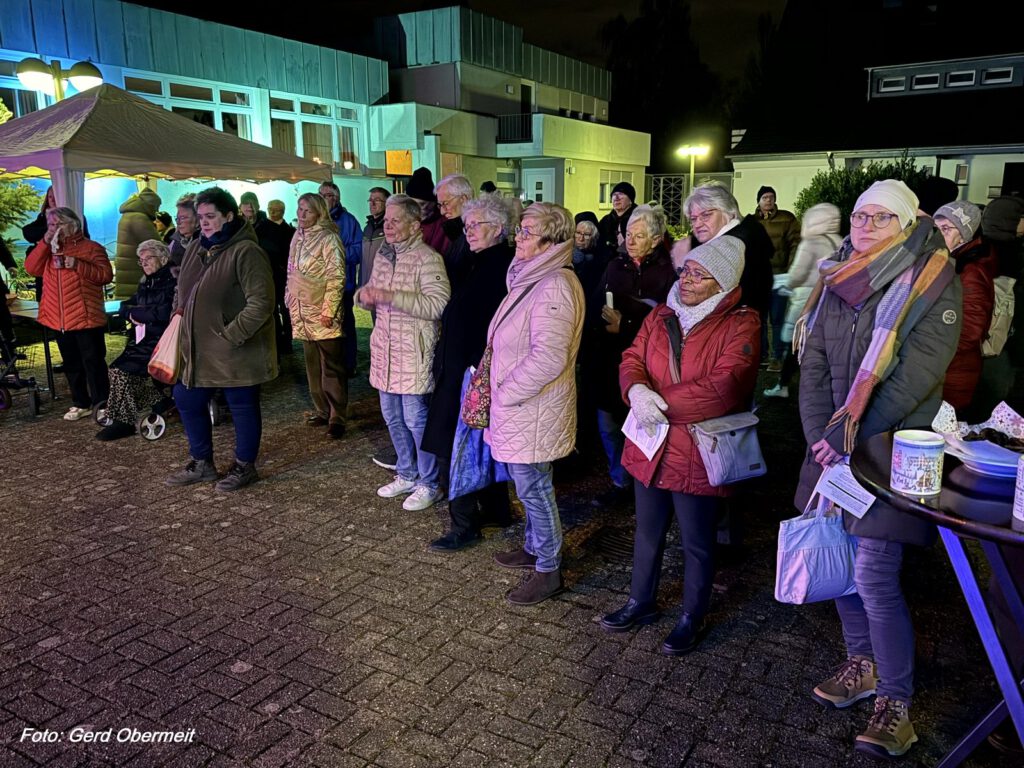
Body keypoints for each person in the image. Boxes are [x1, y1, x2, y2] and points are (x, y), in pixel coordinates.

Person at [795, 180, 961, 760]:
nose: (864, 225)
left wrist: (850, 440)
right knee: (840, 560)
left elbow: (917, 378)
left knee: (873, 574)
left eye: (879, 217)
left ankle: (895, 702)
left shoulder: (932, 278)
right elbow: (812, 363)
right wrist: (822, 436)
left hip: (888, 451)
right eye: (859, 216)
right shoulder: (836, 274)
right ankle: (860, 664)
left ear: (904, 222)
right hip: (830, 450)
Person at [601, 235, 759, 653]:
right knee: (647, 531)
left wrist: (660, 402)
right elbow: (632, 357)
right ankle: (641, 600)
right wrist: (635, 390)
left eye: (700, 275)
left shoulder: (741, 322)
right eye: (686, 269)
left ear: (722, 284)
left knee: (697, 542)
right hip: (650, 444)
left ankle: (693, 615)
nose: (686, 279)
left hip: (697, 450)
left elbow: (724, 386)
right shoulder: (662, 315)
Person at [488, 202, 584, 605]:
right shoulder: (532, 277)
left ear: (552, 240)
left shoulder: (555, 284)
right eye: (520, 229)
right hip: (523, 406)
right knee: (527, 485)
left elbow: (549, 356)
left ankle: (549, 568)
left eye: (528, 231)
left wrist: (505, 392)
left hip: (532, 405)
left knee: (535, 488)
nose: (518, 237)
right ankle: (534, 546)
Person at [166, 186, 277, 492]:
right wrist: (179, 316)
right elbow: (183, 289)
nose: (204, 222)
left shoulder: (247, 251)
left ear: (229, 216)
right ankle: (202, 463)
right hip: (198, 347)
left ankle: (244, 465)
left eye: (211, 216)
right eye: (200, 216)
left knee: (241, 404)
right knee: (186, 397)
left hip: (234, 347)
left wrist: (232, 334)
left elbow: (262, 302)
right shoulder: (196, 249)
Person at [423, 195, 518, 551]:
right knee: (479, 443)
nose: (468, 231)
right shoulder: (479, 261)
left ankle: (464, 524)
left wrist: (476, 368)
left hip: (472, 372)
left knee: (459, 446)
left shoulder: (500, 267)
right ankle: (496, 509)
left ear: (497, 228)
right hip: (465, 368)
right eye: (467, 226)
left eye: (475, 225)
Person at [355, 194, 450, 512]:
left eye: (396, 220)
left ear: (414, 224)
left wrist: (390, 295)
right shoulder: (384, 255)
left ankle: (429, 482)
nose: (389, 225)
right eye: (387, 220)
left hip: (413, 350)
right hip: (385, 349)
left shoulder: (428, 258)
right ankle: (406, 473)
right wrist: (364, 297)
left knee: (415, 419)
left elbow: (437, 304)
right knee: (392, 417)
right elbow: (370, 289)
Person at [583, 204, 676, 507]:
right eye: (627, 234)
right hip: (610, 359)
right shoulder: (614, 266)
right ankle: (620, 481)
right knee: (608, 423)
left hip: (647, 365)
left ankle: (645, 484)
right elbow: (595, 305)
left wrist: (626, 323)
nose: (630, 240)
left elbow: (669, 323)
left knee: (641, 424)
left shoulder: (668, 272)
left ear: (656, 239)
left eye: (638, 235)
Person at [24, 207, 113, 421]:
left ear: (72, 224)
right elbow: (32, 268)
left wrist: (78, 265)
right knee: (71, 363)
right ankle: (80, 402)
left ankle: (102, 402)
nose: (54, 229)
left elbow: (105, 275)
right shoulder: (48, 249)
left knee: (93, 362)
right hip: (58, 318)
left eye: (58, 224)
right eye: (51, 225)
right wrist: (44, 243)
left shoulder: (91, 248)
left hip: (86, 316)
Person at [96, 239, 177, 440]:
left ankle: (123, 422)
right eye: (141, 260)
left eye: (148, 258)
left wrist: (138, 314)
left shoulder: (172, 280)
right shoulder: (146, 281)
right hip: (143, 337)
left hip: (163, 340)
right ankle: (160, 403)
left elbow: (166, 311)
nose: (145, 263)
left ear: (163, 258)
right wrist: (133, 313)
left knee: (122, 371)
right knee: (117, 370)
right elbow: (127, 305)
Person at [286, 192, 348, 439]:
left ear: (319, 213)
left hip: (321, 311)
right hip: (301, 309)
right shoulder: (297, 237)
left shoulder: (329, 238)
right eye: (300, 209)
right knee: (311, 364)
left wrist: (329, 310)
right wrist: (289, 297)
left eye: (307, 211)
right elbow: (291, 270)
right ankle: (322, 409)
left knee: (331, 365)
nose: (301, 215)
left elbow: (336, 276)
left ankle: (337, 415)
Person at [764, 203, 842, 399]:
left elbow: (798, 273)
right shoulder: (838, 241)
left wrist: (786, 284)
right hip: (830, 298)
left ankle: (783, 385)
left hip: (805, 299)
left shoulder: (811, 243)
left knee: (793, 342)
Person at [674, 182, 774, 320]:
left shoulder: (737, 246)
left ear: (729, 212)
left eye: (706, 215)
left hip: (733, 329)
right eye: (693, 219)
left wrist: (683, 263)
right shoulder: (736, 237)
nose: (697, 224)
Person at [933, 202, 995, 416]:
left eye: (946, 229)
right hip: (943, 371)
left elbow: (970, 330)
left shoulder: (970, 272)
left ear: (964, 235)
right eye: (936, 228)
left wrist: (927, 347)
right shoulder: (951, 262)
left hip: (953, 375)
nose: (939, 234)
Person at [241, 191, 294, 357]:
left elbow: (286, 252)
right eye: (271, 208)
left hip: (278, 276)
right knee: (266, 311)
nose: (273, 212)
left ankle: (283, 343)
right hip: (258, 276)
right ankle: (272, 342)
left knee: (281, 310)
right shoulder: (250, 228)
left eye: (276, 209)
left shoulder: (280, 229)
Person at [753, 186, 801, 370]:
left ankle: (777, 357)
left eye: (771, 197)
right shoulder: (752, 222)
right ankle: (762, 355)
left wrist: (790, 269)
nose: (768, 200)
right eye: (765, 197)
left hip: (780, 277)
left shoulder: (787, 219)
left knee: (777, 319)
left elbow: (796, 244)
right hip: (759, 279)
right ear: (758, 200)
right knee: (760, 319)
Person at [319, 182, 363, 375]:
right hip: (319, 286)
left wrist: (337, 253)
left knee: (345, 325)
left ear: (335, 198)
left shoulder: (349, 221)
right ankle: (327, 365)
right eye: (319, 194)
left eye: (326, 195)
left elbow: (359, 249)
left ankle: (349, 363)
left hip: (342, 284)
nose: (322, 198)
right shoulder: (315, 220)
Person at [22, 186, 90, 303]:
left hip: (67, 269)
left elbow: (85, 238)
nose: (52, 200)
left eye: (55, 197)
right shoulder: (43, 217)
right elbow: (28, 232)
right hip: (45, 269)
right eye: (49, 197)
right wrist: (48, 231)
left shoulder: (77, 217)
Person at [114, 187, 162, 300]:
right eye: (156, 207)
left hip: (127, 268)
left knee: (126, 302)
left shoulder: (127, 215)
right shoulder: (139, 218)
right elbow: (156, 245)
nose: (157, 211)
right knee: (135, 303)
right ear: (150, 205)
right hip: (136, 271)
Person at [435, 174, 474, 290]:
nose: (442, 211)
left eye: (446, 203)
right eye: (440, 205)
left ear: (463, 199)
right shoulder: (454, 232)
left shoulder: (474, 235)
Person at [407, 167, 450, 255]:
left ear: (432, 203)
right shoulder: (406, 221)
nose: (417, 209)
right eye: (413, 204)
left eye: (422, 204)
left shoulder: (445, 224)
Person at [571, 219, 610, 301]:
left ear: (594, 238)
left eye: (586, 235)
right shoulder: (566, 256)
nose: (581, 238)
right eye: (578, 233)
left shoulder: (601, 261)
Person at [360, 187, 390, 290]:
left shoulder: (390, 228)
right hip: (365, 286)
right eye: (370, 200)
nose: (372, 203)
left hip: (381, 289)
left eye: (377, 200)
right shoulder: (367, 228)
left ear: (387, 203)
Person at [599, 181, 638, 251]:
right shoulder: (606, 221)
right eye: (614, 194)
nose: (616, 198)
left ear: (630, 200)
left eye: (621, 194)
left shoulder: (639, 219)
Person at [168, 193, 199, 269]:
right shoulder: (175, 241)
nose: (178, 222)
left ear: (198, 219)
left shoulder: (207, 244)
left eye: (183, 218)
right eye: (177, 218)